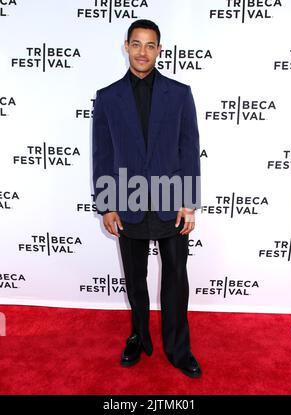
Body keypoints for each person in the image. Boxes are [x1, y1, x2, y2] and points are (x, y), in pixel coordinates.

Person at [92, 19, 201, 378]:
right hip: (127, 203)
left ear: (159, 49)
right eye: (136, 44)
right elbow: (103, 153)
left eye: (150, 45)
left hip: (172, 204)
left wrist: (188, 202)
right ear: (126, 46)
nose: (142, 51)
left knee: (175, 280)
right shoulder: (107, 97)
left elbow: (189, 149)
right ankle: (138, 336)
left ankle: (178, 348)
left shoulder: (180, 93)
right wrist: (107, 204)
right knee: (135, 279)